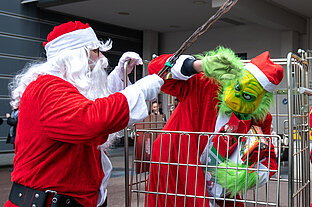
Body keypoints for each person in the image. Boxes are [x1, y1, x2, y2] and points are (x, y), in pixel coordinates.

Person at [4, 21, 164, 207]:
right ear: (77, 56)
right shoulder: (47, 87)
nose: (102, 58)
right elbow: (89, 120)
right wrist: (139, 91)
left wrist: (119, 78)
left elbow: (90, 105)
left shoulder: (58, 88)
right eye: (96, 51)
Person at [147, 47, 283, 207]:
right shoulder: (206, 84)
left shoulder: (259, 118)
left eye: (248, 96)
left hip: (217, 189)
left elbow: (269, 160)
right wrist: (196, 65)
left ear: (260, 102)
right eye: (237, 87)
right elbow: (156, 71)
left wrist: (247, 177)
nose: (236, 98)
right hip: (175, 168)